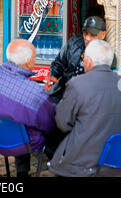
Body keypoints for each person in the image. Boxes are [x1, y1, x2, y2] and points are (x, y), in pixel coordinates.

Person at [0, 40, 56, 178]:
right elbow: (49, 124)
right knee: (54, 129)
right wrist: (47, 97)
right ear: (28, 62)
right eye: (34, 58)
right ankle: (58, 165)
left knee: (18, 117)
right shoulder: (34, 93)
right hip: (21, 142)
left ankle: (22, 171)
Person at [48, 39, 121, 177]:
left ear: (88, 61)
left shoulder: (77, 84)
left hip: (84, 165)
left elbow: (63, 124)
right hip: (116, 161)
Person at [45, 15, 116, 103]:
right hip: (63, 92)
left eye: (92, 35)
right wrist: (52, 76)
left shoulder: (107, 54)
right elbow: (58, 63)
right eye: (85, 33)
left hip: (87, 100)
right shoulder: (74, 42)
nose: (87, 38)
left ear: (103, 35)